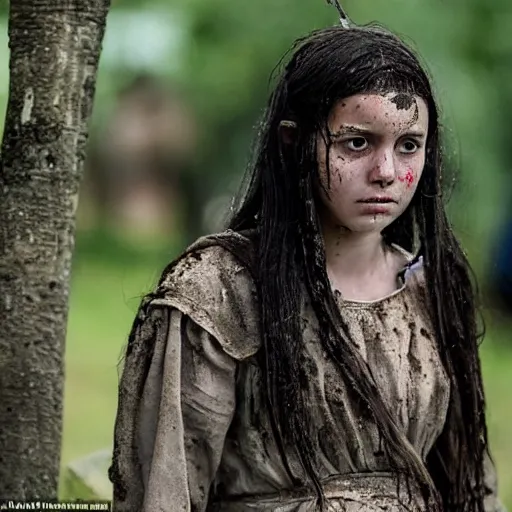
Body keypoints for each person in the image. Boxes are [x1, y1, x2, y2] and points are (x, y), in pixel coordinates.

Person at [108, 20, 507, 512]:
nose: (386, 172)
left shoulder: (433, 291)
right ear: (294, 142)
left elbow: (470, 483)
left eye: (408, 145)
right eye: (357, 143)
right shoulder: (220, 292)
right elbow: (166, 488)